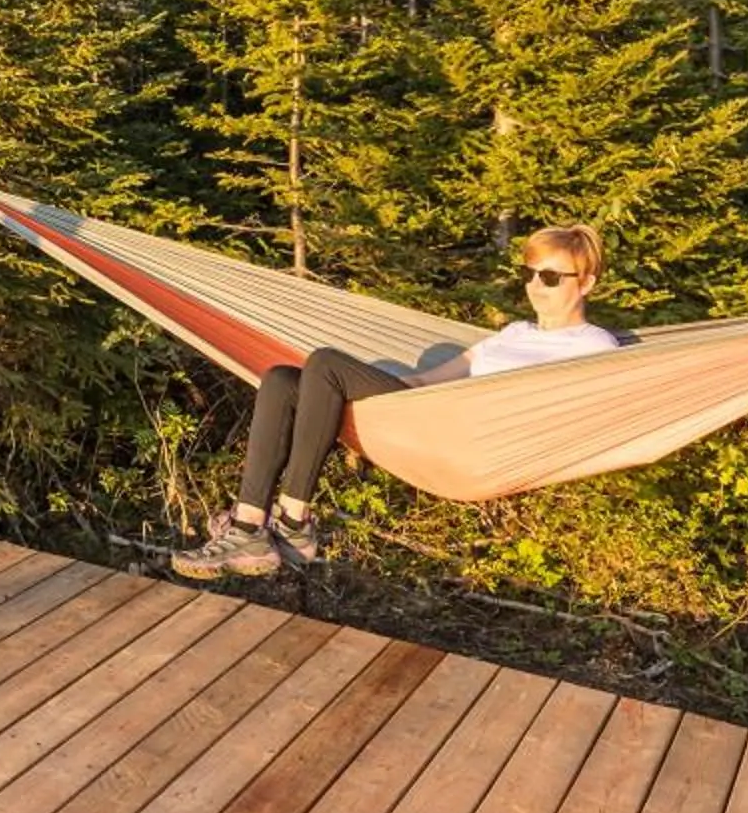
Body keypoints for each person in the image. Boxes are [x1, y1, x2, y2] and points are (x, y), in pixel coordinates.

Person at [170, 224, 624, 580]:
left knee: (326, 363)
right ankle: (250, 525)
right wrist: (367, 393)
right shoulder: (515, 333)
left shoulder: (594, 346)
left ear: (585, 283)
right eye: (529, 274)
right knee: (283, 379)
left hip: (472, 436)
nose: (535, 286)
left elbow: (593, 404)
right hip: (426, 410)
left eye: (549, 276)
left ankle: (295, 519)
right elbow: (429, 378)